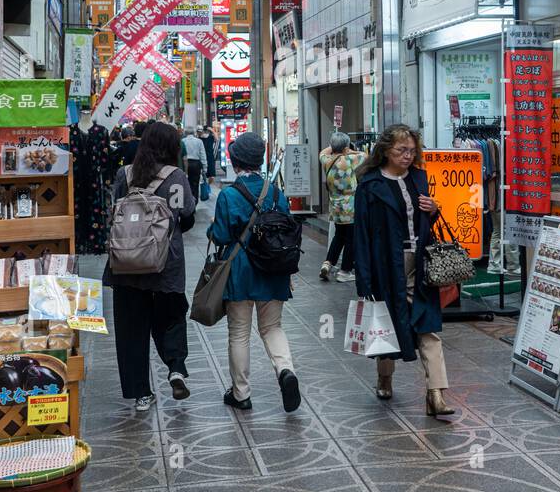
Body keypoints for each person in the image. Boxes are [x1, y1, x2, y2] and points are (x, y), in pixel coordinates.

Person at [353, 124, 455, 417]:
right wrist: (364, 278)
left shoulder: (419, 179)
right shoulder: (369, 185)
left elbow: (425, 225)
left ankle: (436, 393)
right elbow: (361, 233)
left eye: (412, 150)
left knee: (428, 324)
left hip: (420, 264)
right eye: (402, 150)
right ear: (386, 150)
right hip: (386, 264)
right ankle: (384, 377)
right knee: (384, 324)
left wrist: (433, 210)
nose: (408, 156)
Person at [105, 121, 196, 412]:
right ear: (171, 148)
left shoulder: (125, 174)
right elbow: (188, 215)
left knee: (132, 328)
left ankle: (141, 393)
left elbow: (113, 212)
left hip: (126, 263)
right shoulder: (177, 176)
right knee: (171, 317)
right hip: (165, 263)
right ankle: (176, 368)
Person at [209, 132, 301, 412]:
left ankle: (241, 394)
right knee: (272, 327)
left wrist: (211, 230)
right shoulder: (275, 192)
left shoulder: (228, 195)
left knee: (239, 333)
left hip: (240, 271)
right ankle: (285, 371)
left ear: (235, 162)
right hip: (273, 268)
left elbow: (222, 235)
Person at [319, 132, 366, 283]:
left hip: (335, 205)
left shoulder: (327, 160)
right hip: (350, 206)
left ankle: (328, 263)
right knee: (351, 239)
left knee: (339, 236)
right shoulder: (352, 159)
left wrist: (334, 146)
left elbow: (323, 152)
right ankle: (345, 271)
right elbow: (365, 155)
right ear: (346, 147)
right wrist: (348, 149)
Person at [183, 126, 206, 198]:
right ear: (194, 132)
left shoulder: (182, 141)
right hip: (196, 164)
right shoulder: (199, 141)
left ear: (185, 132)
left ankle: (188, 200)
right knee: (195, 184)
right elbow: (203, 155)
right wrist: (205, 168)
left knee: (186, 184)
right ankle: (195, 200)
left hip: (185, 164)